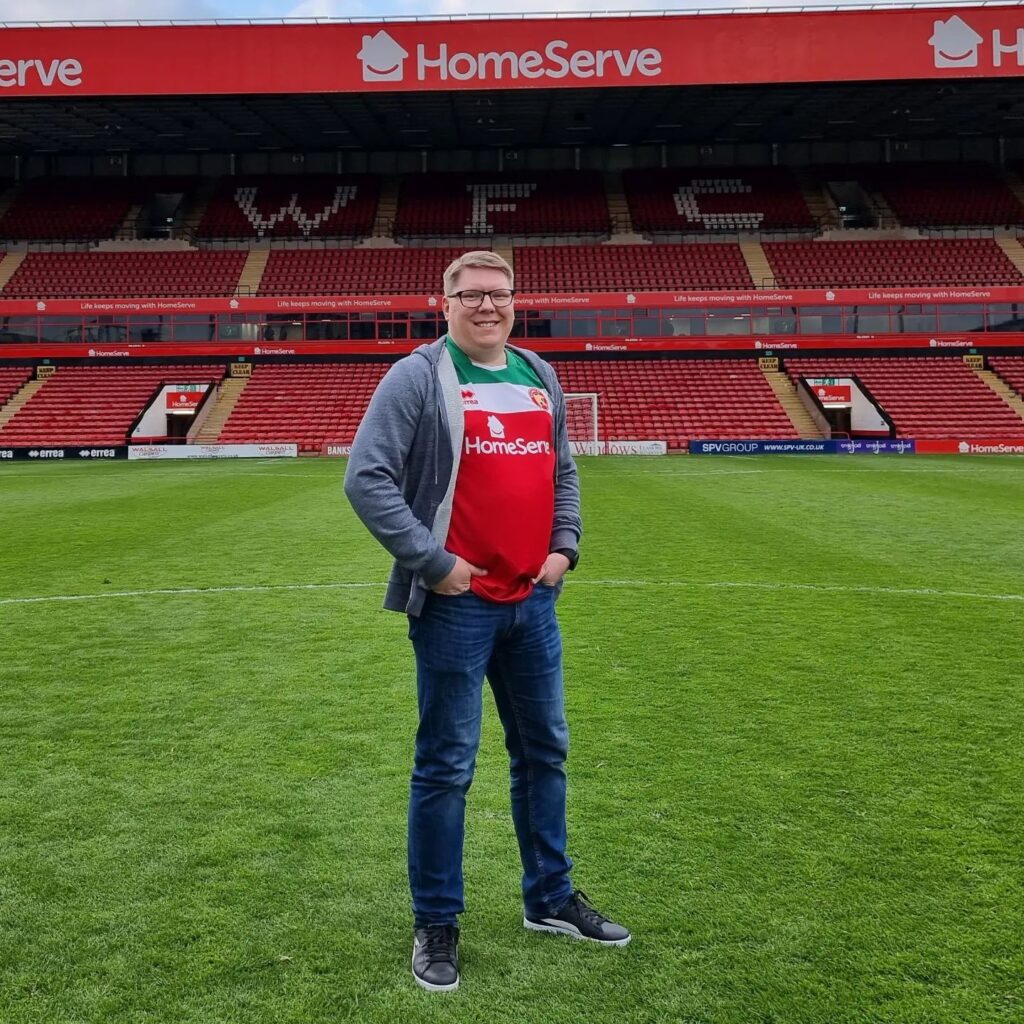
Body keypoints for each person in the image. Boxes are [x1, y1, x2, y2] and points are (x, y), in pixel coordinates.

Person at [344, 250, 630, 993]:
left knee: (545, 754)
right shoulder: (418, 375)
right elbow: (366, 477)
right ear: (445, 304)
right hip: (456, 606)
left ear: (514, 302)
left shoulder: (538, 372)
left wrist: (565, 547)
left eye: (498, 295)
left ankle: (551, 899)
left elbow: (563, 468)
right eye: (471, 295)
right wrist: (432, 562)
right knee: (446, 766)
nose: (486, 306)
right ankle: (435, 921)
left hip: (533, 603)